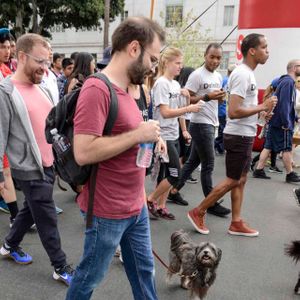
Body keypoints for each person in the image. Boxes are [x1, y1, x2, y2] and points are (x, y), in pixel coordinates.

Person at [66, 16, 165, 300]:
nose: (153, 67)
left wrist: (152, 137)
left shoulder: (136, 89)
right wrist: (137, 135)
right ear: (135, 48)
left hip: (136, 206)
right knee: (89, 277)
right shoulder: (98, 88)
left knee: (145, 273)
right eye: (153, 59)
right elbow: (83, 152)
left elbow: (130, 129)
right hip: (106, 211)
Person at [0, 33, 74, 284]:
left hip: (49, 162)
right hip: (28, 167)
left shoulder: (42, 86)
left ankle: (9, 245)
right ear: (22, 57)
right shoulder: (5, 91)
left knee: (31, 210)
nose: (45, 67)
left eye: (48, 61)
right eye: (40, 61)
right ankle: (60, 266)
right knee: (46, 216)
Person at [187, 33, 277, 237]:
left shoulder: (248, 74)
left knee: (241, 178)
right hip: (238, 136)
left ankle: (236, 222)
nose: (267, 51)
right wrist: (262, 105)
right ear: (252, 51)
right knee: (232, 179)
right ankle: (199, 210)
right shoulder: (242, 74)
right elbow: (233, 112)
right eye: (264, 47)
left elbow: (244, 107)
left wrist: (261, 111)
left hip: (244, 134)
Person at [168, 43, 231, 217]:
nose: (215, 61)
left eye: (219, 58)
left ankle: (173, 190)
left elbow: (214, 101)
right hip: (200, 124)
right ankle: (210, 203)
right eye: (212, 57)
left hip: (212, 123)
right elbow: (186, 100)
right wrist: (207, 96)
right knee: (208, 164)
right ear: (205, 55)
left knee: (192, 162)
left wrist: (219, 99)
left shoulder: (218, 76)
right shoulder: (197, 75)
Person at [146, 47, 202, 220]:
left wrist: (184, 130)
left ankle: (161, 206)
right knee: (174, 173)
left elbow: (179, 111)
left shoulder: (176, 85)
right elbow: (165, 112)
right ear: (166, 63)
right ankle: (150, 200)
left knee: (168, 173)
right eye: (177, 63)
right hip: (162, 135)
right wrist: (189, 107)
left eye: (181, 63)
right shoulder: (161, 83)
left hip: (174, 134)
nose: (180, 67)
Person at [253, 60, 300, 183]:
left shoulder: (286, 82)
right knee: (287, 148)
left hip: (276, 121)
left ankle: (258, 170)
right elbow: (284, 104)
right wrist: (286, 123)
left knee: (268, 146)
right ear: (295, 68)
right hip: (281, 123)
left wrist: (294, 118)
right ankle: (290, 174)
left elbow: (288, 105)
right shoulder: (288, 82)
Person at [0, 28, 19, 224]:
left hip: (5, 130)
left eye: (8, 47)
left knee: (6, 174)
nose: (7, 51)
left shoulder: (7, 70)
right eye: (2, 47)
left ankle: (16, 217)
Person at [215, 64, 235, 155]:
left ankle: (219, 147)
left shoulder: (223, 80)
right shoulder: (229, 81)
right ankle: (217, 146)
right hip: (223, 110)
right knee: (223, 130)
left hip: (220, 109)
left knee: (222, 129)